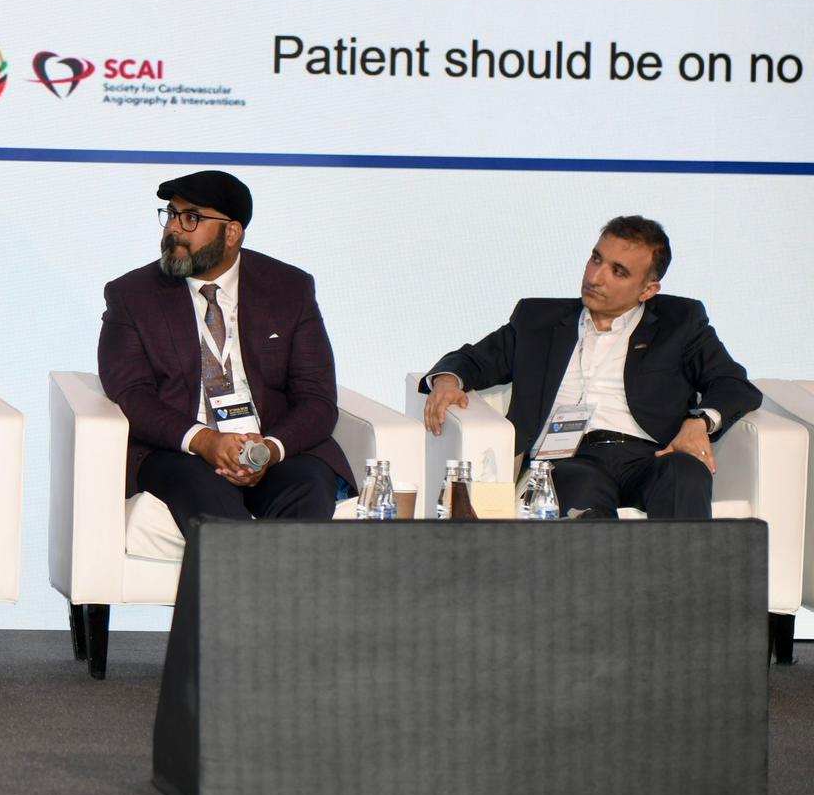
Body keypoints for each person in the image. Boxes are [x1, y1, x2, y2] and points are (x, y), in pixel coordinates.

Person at [419, 215, 760, 518]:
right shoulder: (538, 321)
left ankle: (686, 574)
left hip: (650, 456)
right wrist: (448, 380)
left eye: (618, 271)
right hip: (568, 459)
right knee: (578, 484)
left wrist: (699, 422)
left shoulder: (680, 322)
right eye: (596, 259)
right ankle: (599, 572)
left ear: (648, 290)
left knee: (686, 472)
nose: (596, 277)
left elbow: (732, 382)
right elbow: (472, 359)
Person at [98, 170, 352, 536]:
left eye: (191, 218)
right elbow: (131, 395)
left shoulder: (289, 288)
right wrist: (205, 441)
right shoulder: (132, 295)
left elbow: (317, 398)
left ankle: (276, 575)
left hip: (269, 446)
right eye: (171, 215)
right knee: (211, 504)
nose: (173, 229)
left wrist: (268, 449)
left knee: (309, 488)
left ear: (231, 233)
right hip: (182, 452)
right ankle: (244, 573)